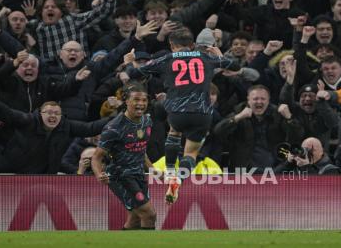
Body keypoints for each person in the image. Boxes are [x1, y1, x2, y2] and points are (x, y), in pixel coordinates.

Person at [124, 27, 239, 204]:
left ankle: (170, 172)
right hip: (202, 113)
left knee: (174, 133)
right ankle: (178, 179)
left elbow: (134, 74)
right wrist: (220, 55)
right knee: (191, 153)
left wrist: (129, 62)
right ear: (192, 45)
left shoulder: (165, 58)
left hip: (177, 111)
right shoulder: (206, 57)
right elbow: (236, 67)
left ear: (171, 45)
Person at [91, 82, 156, 230]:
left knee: (135, 219)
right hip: (120, 176)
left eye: (144, 100)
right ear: (126, 101)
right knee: (149, 214)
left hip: (138, 175)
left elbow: (141, 148)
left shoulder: (147, 121)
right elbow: (97, 156)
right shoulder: (114, 127)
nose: (141, 104)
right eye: (136, 100)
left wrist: (152, 168)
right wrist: (99, 173)